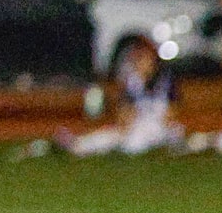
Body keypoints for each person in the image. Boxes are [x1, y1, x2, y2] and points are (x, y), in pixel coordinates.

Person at [45, 36, 182, 158]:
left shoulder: (165, 82)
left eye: (143, 58)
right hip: (137, 125)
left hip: (161, 128)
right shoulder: (133, 82)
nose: (138, 63)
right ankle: (77, 144)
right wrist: (128, 123)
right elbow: (124, 112)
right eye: (137, 58)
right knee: (113, 135)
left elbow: (171, 114)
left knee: (132, 144)